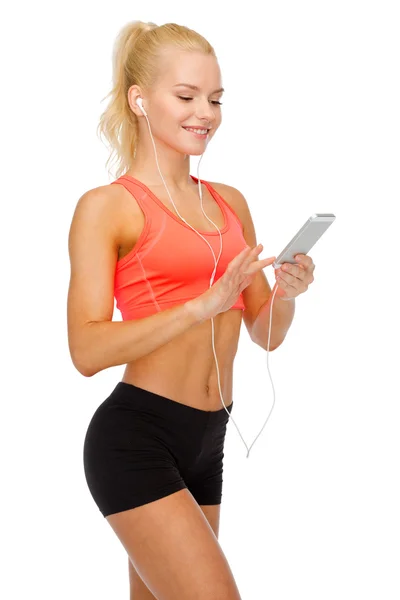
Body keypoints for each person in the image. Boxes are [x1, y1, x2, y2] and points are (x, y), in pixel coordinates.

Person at [67, 20, 293, 600]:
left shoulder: (229, 201)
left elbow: (265, 335)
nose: (206, 114)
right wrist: (201, 306)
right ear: (140, 100)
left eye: (215, 99)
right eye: (187, 97)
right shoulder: (108, 208)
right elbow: (86, 351)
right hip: (137, 437)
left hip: (208, 440)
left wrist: (287, 292)